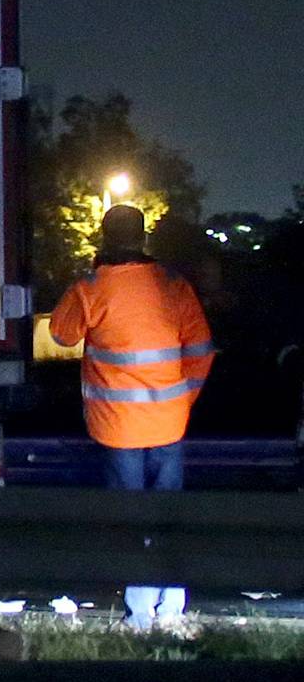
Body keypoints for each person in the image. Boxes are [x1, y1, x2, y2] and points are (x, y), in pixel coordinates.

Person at [50, 203, 214, 630]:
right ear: (143, 238)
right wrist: (183, 399)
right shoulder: (174, 285)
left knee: (132, 516)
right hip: (169, 421)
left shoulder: (92, 287)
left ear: (105, 237)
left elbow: (62, 334)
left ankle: (140, 615)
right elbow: (199, 350)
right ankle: (172, 607)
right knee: (168, 512)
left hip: (118, 424)